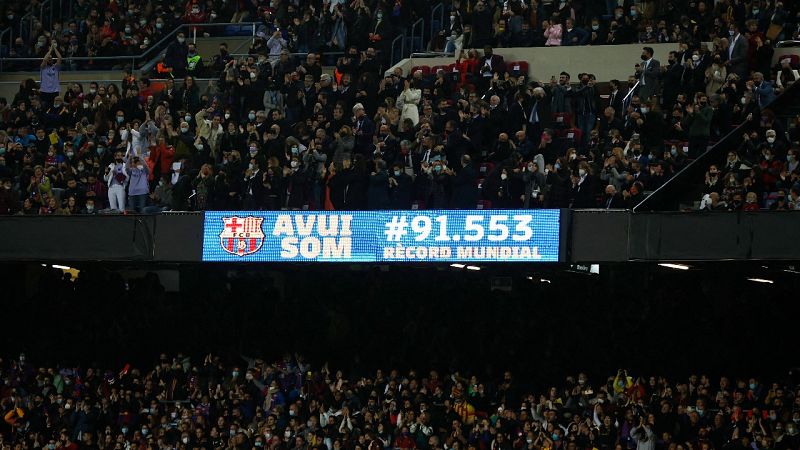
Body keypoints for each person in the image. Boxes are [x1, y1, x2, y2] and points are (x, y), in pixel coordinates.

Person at [39, 41, 62, 108]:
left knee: (56, 108)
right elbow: (44, 60)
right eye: (48, 58)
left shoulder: (56, 67)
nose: (49, 59)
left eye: (50, 58)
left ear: (52, 60)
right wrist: (50, 50)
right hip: (44, 91)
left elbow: (60, 58)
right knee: (44, 108)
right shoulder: (43, 68)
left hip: (55, 92)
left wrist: (54, 48)